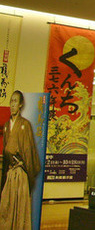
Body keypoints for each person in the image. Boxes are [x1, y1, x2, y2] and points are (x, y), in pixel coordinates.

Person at [0, 90, 41, 230]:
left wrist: (28, 173)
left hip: (21, 172)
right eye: (11, 101)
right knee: (6, 206)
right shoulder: (6, 126)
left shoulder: (25, 125)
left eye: (15, 101)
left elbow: (29, 152)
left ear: (21, 104)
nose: (12, 104)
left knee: (20, 209)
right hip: (10, 172)